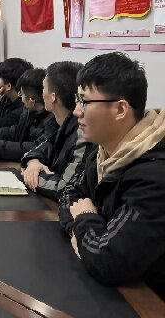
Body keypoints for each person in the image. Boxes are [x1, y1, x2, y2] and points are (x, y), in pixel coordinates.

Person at [58, 52, 165, 299]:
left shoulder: (155, 176)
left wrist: (84, 217)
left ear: (120, 109)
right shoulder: (104, 150)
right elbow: (68, 194)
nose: (76, 112)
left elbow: (109, 261)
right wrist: (81, 232)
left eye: (84, 101)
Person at [21, 61, 94, 201]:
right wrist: (33, 161)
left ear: (53, 96)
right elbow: (42, 148)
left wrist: (33, 176)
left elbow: (66, 187)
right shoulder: (58, 122)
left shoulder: (83, 132)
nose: (41, 93)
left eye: (43, 88)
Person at [0, 68, 54, 162]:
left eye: (21, 94)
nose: (21, 98)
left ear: (31, 100)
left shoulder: (52, 121)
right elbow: (14, 132)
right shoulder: (29, 111)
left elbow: (32, 148)